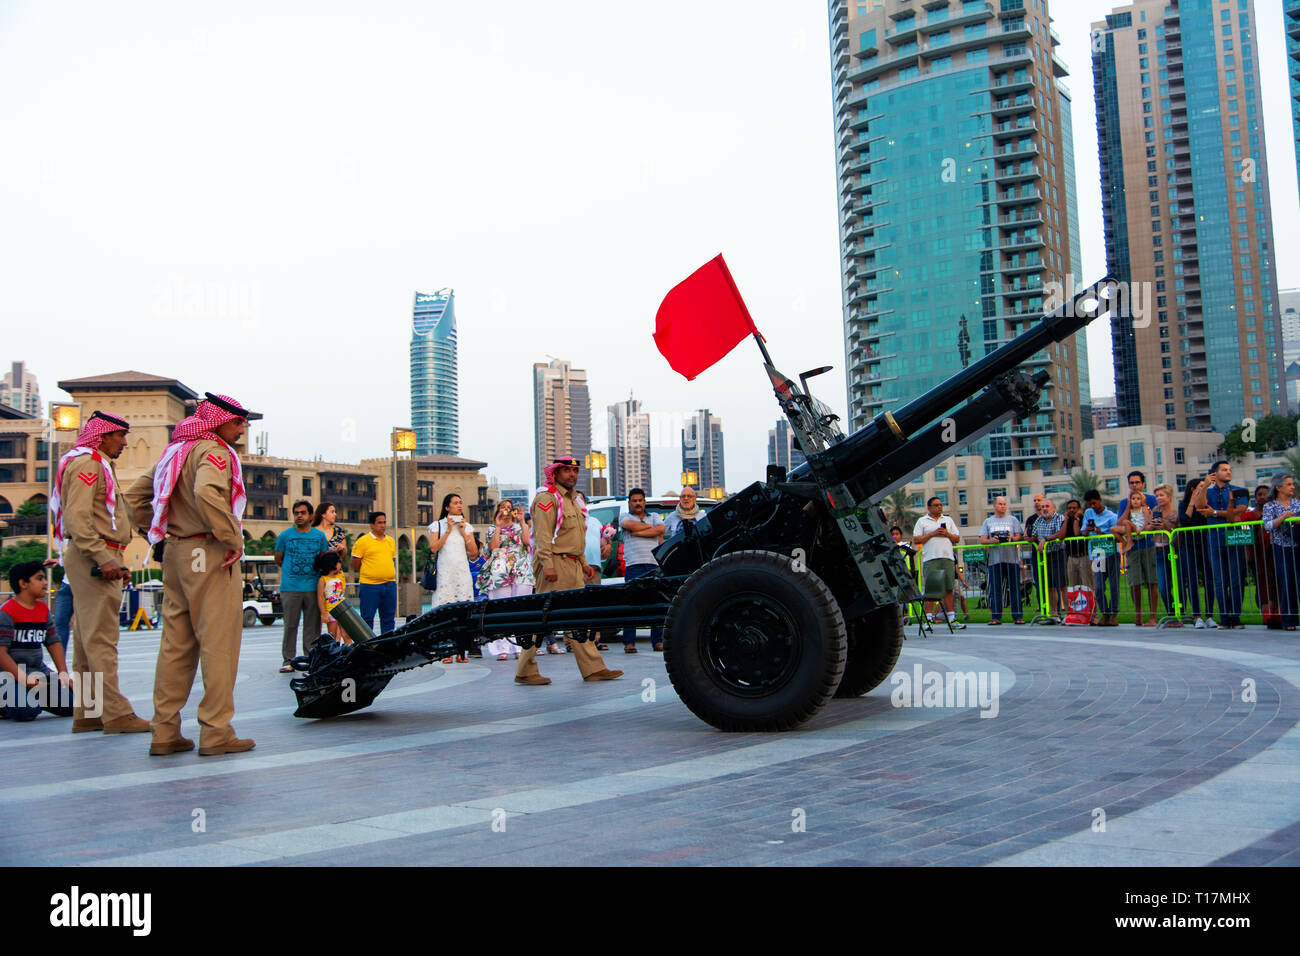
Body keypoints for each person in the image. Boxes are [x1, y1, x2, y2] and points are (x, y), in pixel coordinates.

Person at [124, 392, 255, 756]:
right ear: (218, 422)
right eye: (237, 422)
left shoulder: (175, 451)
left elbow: (135, 497)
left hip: (177, 552)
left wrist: (156, 535)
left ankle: (164, 732)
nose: (242, 429)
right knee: (218, 643)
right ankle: (216, 731)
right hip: (209, 552)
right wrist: (232, 538)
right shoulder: (212, 452)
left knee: (175, 646)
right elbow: (207, 493)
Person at [48, 409, 150, 734]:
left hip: (97, 554)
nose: (124, 442)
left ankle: (90, 712)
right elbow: (79, 518)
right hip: (95, 556)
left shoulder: (93, 463)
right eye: (120, 435)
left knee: (86, 639)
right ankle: (117, 715)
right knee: (102, 639)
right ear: (104, 436)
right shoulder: (89, 464)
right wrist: (104, 558)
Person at [515, 457, 622, 685]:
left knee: (578, 617)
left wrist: (583, 562)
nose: (572, 474)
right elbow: (543, 536)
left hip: (573, 564)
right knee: (542, 617)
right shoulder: (548, 498)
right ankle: (524, 670)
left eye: (575, 471)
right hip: (554, 562)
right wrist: (548, 566)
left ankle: (593, 668)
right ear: (555, 473)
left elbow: (576, 536)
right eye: (566, 470)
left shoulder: (574, 500)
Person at [0, 561, 74, 721]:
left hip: (36, 671)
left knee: (74, 705)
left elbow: (53, 643)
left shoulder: (42, 610)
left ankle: (21, 697)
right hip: (7, 674)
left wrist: (63, 675)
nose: (45, 582)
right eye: (39, 578)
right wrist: (23, 680)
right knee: (26, 712)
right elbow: (1, 654)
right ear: (23, 583)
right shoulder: (7, 612)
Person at [1193, 461, 1249, 629]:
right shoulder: (1208, 491)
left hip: (1234, 537)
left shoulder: (1238, 491)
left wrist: (1215, 513)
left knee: (1236, 578)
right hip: (1214, 539)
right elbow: (1199, 506)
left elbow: (1239, 512)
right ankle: (1224, 616)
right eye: (1224, 470)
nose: (1228, 472)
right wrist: (1204, 486)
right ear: (1214, 474)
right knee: (1219, 578)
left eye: (1229, 469)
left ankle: (1236, 616)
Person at [275, 499, 329, 672]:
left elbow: (323, 558)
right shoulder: (285, 536)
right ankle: (288, 660)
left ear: (311, 516)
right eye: (296, 513)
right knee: (290, 625)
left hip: (313, 587)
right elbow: (278, 558)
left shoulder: (319, 536)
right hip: (291, 588)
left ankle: (311, 658)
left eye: (303, 512)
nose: (299, 516)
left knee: (312, 626)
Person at [478, 500, 532, 660]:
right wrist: (498, 526)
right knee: (500, 608)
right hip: (501, 567)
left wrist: (522, 521)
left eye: (509, 508)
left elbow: (528, 542)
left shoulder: (518, 527)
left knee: (520, 607)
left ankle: (519, 645)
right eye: (503, 508)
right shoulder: (493, 529)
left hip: (520, 567)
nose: (507, 510)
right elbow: (494, 547)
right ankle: (502, 647)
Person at [428, 493, 478, 663]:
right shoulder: (437, 526)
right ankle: (445, 651)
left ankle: (461, 651)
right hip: (445, 573)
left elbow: (474, 553)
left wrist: (464, 532)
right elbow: (434, 548)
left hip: (462, 572)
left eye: (460, 503)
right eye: (455, 503)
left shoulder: (467, 527)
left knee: (462, 612)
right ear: (447, 507)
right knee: (444, 613)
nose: (459, 506)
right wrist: (449, 530)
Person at [619, 488, 666, 652]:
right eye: (634, 501)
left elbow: (661, 530)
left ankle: (658, 641)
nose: (637, 503)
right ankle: (629, 643)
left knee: (655, 603)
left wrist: (638, 530)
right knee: (631, 604)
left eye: (640, 500)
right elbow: (628, 525)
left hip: (653, 565)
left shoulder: (654, 516)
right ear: (629, 503)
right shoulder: (624, 516)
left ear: (644, 502)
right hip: (634, 566)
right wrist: (651, 530)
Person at [912, 497, 964, 630]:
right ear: (929, 507)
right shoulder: (922, 521)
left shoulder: (948, 520)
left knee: (948, 588)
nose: (940, 507)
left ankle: (952, 618)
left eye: (941, 505)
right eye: (936, 505)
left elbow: (957, 538)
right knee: (931, 589)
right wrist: (933, 533)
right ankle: (928, 620)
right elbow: (917, 539)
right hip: (931, 559)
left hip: (947, 558)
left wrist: (946, 534)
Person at [1114, 490, 1158, 626]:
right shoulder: (1125, 503)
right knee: (1135, 583)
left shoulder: (1148, 503)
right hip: (1133, 549)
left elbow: (1149, 520)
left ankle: (1152, 616)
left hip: (1147, 545)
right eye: (1132, 483)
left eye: (1137, 482)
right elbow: (1120, 522)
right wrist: (1128, 505)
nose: (1135, 500)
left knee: (1152, 582)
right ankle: (1138, 613)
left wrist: (1142, 530)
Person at [978, 496, 1025, 625]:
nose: (1003, 506)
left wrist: (1011, 539)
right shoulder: (988, 521)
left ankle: (1018, 616)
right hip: (994, 561)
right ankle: (996, 617)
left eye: (1004, 504)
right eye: (1000, 504)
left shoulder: (1013, 520)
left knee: (1015, 588)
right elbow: (982, 540)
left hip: (1012, 560)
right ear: (994, 506)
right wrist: (992, 541)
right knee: (995, 590)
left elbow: (1019, 536)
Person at [1262, 473, 1300, 630]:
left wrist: (1294, 517)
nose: (1292, 487)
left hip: (1297, 545)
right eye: (1289, 484)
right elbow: (1268, 525)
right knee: (1287, 582)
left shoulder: (1297, 503)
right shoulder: (1269, 506)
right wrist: (1283, 517)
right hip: (1281, 547)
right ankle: (1289, 621)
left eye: (1292, 484)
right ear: (1278, 487)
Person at [351, 511, 397, 636]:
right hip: (370, 586)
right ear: (372, 525)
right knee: (367, 619)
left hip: (389, 585)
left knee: (388, 619)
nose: (383, 525)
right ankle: (367, 647)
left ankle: (387, 647)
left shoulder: (390, 541)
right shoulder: (363, 541)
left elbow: (391, 559)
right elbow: (355, 563)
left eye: (384, 522)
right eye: (379, 523)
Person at [1179, 477, 1215, 628]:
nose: (1204, 488)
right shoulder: (1183, 504)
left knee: (1209, 580)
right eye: (1201, 486)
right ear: (1193, 489)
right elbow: (1185, 520)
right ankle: (1197, 615)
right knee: (1192, 581)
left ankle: (1209, 615)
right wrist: (1192, 501)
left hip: (1205, 544)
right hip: (1189, 546)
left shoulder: (1206, 502)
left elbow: (1206, 517)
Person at [1082, 490, 1120, 626]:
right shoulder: (1088, 514)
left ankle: (1114, 614)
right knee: (1098, 587)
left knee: (1114, 585)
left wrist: (1101, 532)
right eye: (1089, 504)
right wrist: (1086, 531)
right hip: (1096, 554)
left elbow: (1117, 535)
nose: (1092, 506)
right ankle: (1105, 613)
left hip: (1111, 553)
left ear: (1100, 500)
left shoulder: (1112, 516)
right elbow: (1083, 532)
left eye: (1094, 503)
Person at [1241, 485, 1277, 627]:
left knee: (1277, 584)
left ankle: (1279, 615)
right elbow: (1244, 531)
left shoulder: (1276, 513)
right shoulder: (1249, 515)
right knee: (1263, 585)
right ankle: (1267, 616)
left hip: (1274, 553)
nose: (1262, 496)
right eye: (1259, 494)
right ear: (1255, 497)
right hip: (1257, 556)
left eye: (1265, 494)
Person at [1150, 484, 1180, 622]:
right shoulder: (1155, 510)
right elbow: (1147, 528)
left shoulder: (1175, 512)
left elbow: (1177, 533)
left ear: (1169, 496)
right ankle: (1171, 612)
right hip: (1158, 550)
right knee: (1163, 586)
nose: (1158, 498)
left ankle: (1180, 612)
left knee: (1177, 584)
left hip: (1172, 550)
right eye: (1156, 496)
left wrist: (1165, 526)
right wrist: (1152, 525)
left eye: (1161, 495)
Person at [1034, 498, 1067, 619]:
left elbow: (1059, 534)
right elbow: (1034, 535)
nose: (1044, 509)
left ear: (1053, 508)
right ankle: (1054, 614)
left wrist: (1045, 539)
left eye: (1047, 506)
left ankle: (1069, 613)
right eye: (1043, 507)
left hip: (1058, 553)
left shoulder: (1059, 518)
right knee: (1050, 586)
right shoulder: (1039, 520)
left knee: (1063, 585)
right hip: (1045, 556)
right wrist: (1027, 537)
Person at [314, 551, 349, 645]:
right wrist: (323, 613)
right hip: (331, 611)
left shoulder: (339, 577)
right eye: (338, 562)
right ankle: (334, 654)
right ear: (332, 564)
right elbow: (320, 597)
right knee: (333, 635)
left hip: (343, 610)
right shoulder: (323, 580)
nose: (340, 564)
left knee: (347, 635)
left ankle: (347, 652)